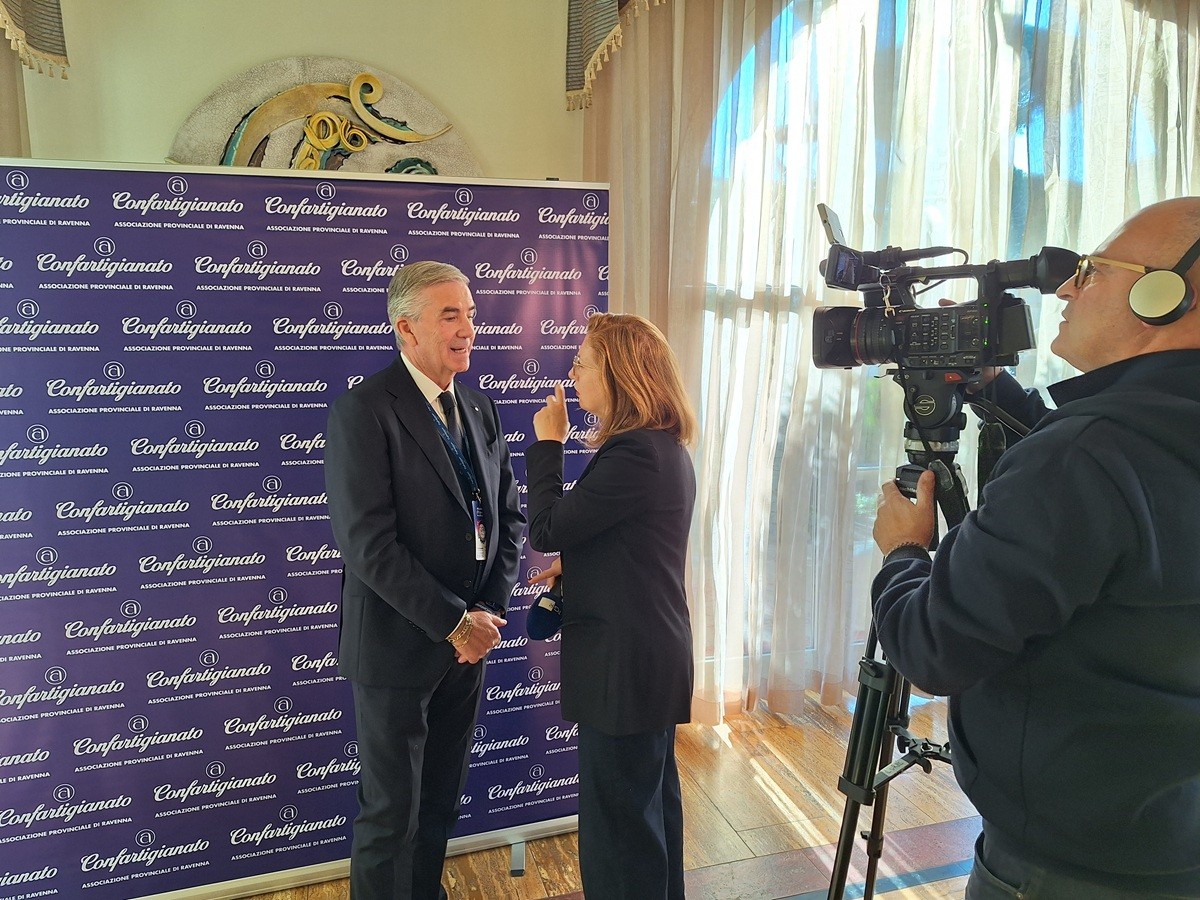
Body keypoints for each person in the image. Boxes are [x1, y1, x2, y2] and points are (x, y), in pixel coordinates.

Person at [870, 197, 1200, 899]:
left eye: (1093, 270)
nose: (1066, 288)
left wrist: (903, 554)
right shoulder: (1135, 436)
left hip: (1062, 867)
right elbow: (1118, 497)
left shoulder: (1083, 456)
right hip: (1171, 833)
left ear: (1167, 296)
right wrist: (998, 390)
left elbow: (932, 649)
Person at [324, 260, 525, 900]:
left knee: (439, 802)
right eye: (450, 316)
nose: (468, 328)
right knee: (391, 816)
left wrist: (484, 614)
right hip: (397, 648)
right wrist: (454, 622)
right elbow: (368, 545)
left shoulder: (480, 407)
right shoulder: (364, 410)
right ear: (406, 329)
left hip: (468, 646)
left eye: (470, 314)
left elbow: (509, 517)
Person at [526, 313, 697, 899]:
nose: (572, 374)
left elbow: (547, 527)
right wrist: (581, 564)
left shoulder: (635, 452)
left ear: (619, 375)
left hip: (628, 667)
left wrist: (549, 444)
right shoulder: (655, 446)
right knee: (645, 818)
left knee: (620, 835)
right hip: (642, 659)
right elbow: (633, 541)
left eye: (582, 364)